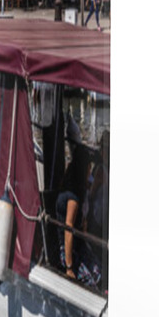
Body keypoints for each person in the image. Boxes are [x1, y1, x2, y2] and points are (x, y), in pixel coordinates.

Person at [55, 115, 104, 288]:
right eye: (89, 167)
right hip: (69, 250)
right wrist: (69, 268)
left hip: (78, 244)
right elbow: (68, 228)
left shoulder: (74, 187)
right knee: (93, 277)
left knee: (99, 271)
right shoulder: (73, 197)